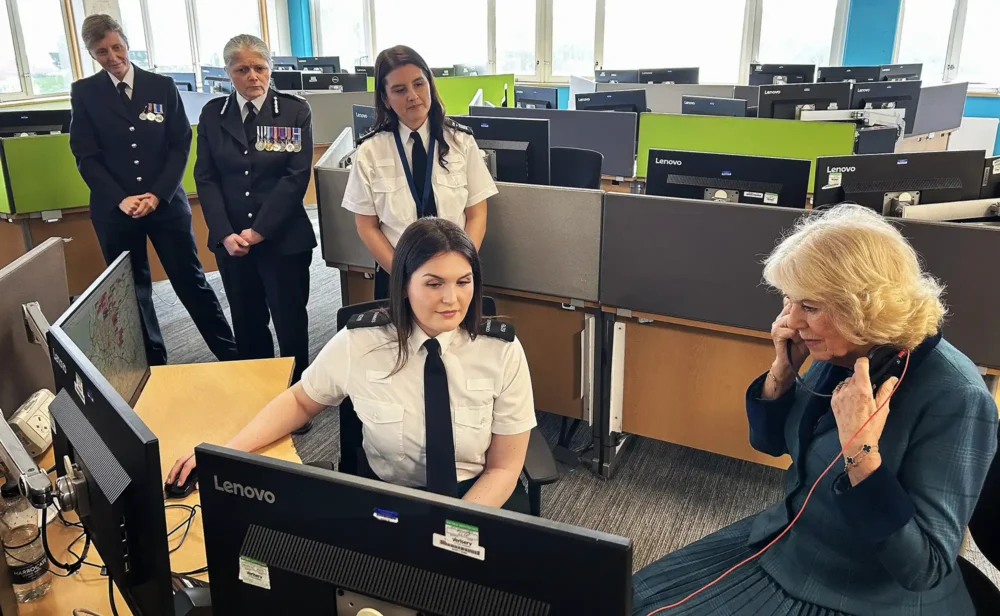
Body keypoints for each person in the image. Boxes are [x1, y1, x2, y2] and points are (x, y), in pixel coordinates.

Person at [632, 204, 998, 616]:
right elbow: (769, 443)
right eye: (788, 301)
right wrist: (782, 374)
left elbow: (923, 568)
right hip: (787, 541)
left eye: (809, 306)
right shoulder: (845, 349)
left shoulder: (955, 397)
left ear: (866, 306)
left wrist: (861, 455)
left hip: (859, 594)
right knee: (626, 597)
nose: (788, 321)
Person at [167, 218, 537, 512]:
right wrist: (225, 453)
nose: (451, 299)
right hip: (389, 497)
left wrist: (452, 529)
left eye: (463, 282)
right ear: (404, 284)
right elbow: (300, 401)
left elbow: (503, 468)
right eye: (434, 283)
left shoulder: (500, 351)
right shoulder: (361, 343)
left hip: (475, 498)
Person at [70, 14, 237, 366]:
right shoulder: (85, 93)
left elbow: (180, 144)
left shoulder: (160, 86)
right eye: (102, 52)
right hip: (116, 211)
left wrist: (157, 194)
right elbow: (86, 155)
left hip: (165, 206)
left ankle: (231, 354)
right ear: (91, 53)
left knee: (191, 281)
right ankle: (153, 365)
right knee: (133, 291)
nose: (112, 57)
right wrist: (121, 198)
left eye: (117, 47)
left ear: (127, 43)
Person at [194, 34, 316, 388]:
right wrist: (224, 232)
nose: (253, 77)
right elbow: (206, 178)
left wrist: (260, 230)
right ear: (228, 72)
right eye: (242, 69)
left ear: (271, 68)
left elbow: (295, 178)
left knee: (289, 321)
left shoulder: (294, 110)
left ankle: (296, 396)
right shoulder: (213, 114)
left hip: (283, 238)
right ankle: (258, 391)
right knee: (247, 321)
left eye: (260, 68)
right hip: (232, 241)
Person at [342, 45, 496, 300]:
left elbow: (477, 213)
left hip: (455, 277)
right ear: (385, 98)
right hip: (397, 276)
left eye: (418, 84)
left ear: (430, 85)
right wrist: (404, 276)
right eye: (399, 90)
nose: (412, 96)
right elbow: (366, 226)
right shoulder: (370, 151)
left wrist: (461, 269)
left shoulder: (461, 142)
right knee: (397, 340)